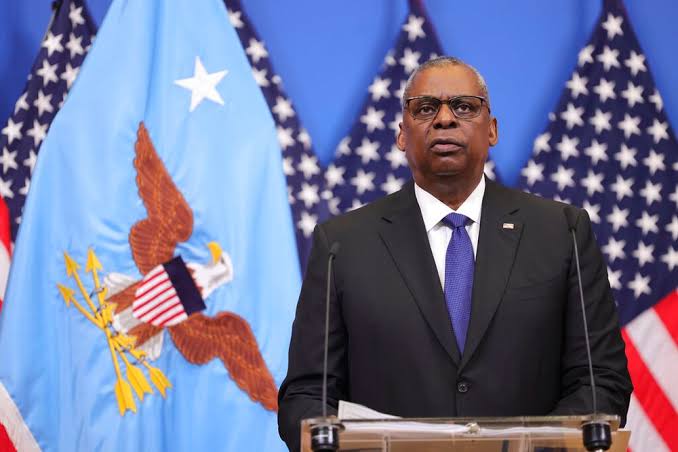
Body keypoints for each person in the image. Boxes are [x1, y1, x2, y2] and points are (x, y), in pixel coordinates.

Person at [277, 57, 632, 452]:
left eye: (464, 106)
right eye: (425, 108)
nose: (444, 119)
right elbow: (307, 397)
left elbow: (601, 381)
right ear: (401, 135)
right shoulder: (342, 245)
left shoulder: (561, 232)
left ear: (492, 129)